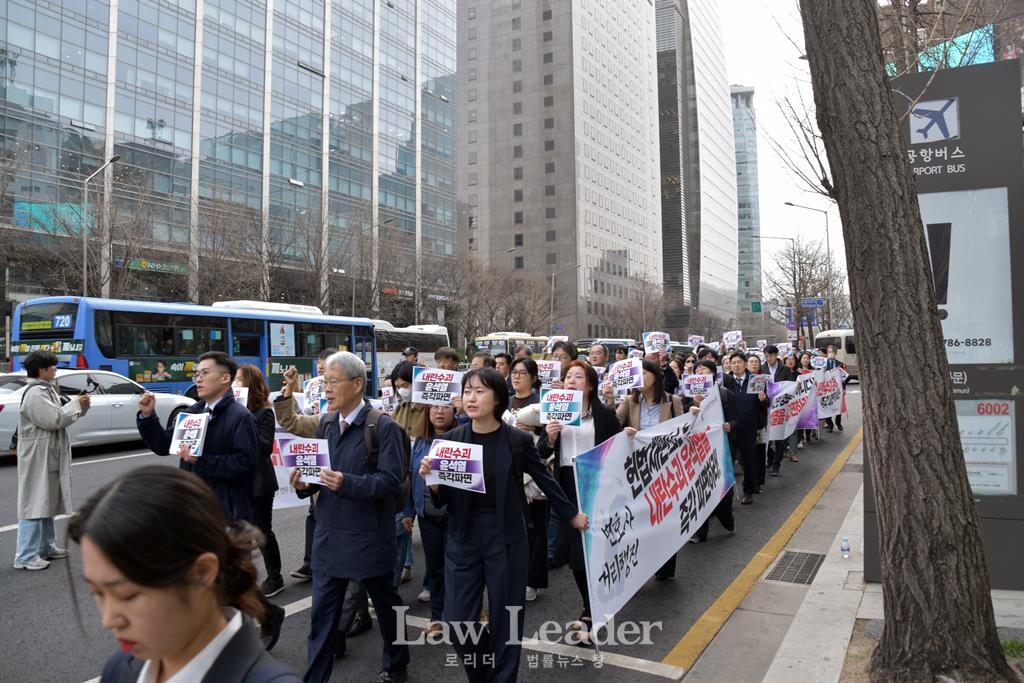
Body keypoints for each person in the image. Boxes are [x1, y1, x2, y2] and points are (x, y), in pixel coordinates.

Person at [419, 369, 587, 681]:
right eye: (468, 391)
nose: (471, 397)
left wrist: (571, 514)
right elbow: (441, 501)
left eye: (480, 391)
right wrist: (433, 482)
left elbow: (545, 480)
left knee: (506, 619)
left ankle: (503, 677)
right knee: (457, 621)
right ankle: (483, 672)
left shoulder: (517, 440)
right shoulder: (449, 442)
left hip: (507, 538)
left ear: (497, 398)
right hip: (462, 537)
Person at [72, 466, 302, 683]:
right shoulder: (121, 667)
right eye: (97, 593)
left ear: (202, 572)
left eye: (127, 595)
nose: (108, 620)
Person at [136, 352, 284, 649]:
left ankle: (239, 629)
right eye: (197, 374)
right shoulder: (190, 413)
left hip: (228, 509)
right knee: (214, 575)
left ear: (225, 378)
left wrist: (202, 461)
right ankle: (255, 618)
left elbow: (245, 462)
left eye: (205, 373)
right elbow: (166, 446)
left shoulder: (240, 417)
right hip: (194, 506)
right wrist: (148, 417)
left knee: (224, 575)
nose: (198, 379)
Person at [284, 351, 410, 683]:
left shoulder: (382, 427)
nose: (326, 388)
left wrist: (346, 482)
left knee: (386, 606)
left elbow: (391, 480)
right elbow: (317, 477)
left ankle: (396, 663)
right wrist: (303, 484)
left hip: (369, 537)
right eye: (324, 381)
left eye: (333, 381)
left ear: (357, 384)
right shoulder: (326, 422)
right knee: (322, 618)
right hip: (329, 538)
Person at [539, 360, 621, 643]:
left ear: (590, 383)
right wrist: (549, 437)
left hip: (596, 486)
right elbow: (540, 450)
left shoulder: (605, 414)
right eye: (567, 376)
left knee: (591, 549)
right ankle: (591, 604)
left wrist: (630, 435)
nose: (571, 380)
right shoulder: (555, 410)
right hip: (566, 487)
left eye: (578, 376)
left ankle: (591, 608)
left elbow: (618, 447)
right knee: (571, 550)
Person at [14, 350, 91, 571]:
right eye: (52, 367)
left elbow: (61, 416)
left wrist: (80, 406)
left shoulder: (45, 390)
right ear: (41, 370)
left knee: (45, 499)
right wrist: (76, 404)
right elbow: (54, 419)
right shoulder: (36, 394)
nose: (55, 370)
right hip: (38, 453)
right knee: (34, 502)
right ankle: (25, 555)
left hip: (46, 451)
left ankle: (46, 546)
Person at [611, 359, 686, 579]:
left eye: (643, 373)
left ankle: (665, 566)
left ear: (655, 376)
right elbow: (613, 424)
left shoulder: (673, 401)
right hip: (638, 470)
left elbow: (684, 432)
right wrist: (623, 427)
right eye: (637, 374)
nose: (640, 378)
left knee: (665, 519)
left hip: (665, 469)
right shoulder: (629, 401)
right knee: (640, 519)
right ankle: (641, 565)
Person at [402, 404, 458, 633]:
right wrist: (408, 512)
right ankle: (437, 616)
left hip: (456, 516)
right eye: (434, 407)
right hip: (428, 517)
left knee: (458, 568)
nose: (439, 412)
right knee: (435, 567)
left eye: (446, 407)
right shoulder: (419, 444)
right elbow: (410, 478)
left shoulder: (464, 438)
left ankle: (468, 612)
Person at [236, 364, 285, 598]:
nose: (235, 385)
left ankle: (275, 576)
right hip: (238, 480)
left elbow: (265, 447)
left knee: (262, 530)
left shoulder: (264, 412)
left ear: (250, 384)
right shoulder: (231, 411)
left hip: (259, 482)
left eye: (239, 380)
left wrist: (244, 423)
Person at [292, 349, 338, 581]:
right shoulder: (316, 405)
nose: (320, 367)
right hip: (318, 468)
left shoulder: (374, 422)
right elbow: (295, 422)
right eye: (319, 363)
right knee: (315, 513)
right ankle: (312, 564)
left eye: (326, 364)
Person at [507, 356, 548, 601]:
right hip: (510, 471)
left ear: (533, 377)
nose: (516, 376)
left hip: (535, 473)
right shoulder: (505, 401)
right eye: (514, 372)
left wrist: (534, 430)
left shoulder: (541, 402)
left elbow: (552, 437)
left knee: (536, 529)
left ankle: (533, 581)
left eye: (522, 373)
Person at [685, 360, 739, 543]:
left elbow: (737, 418)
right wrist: (693, 405)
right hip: (697, 448)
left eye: (704, 370)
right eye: (697, 370)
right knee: (700, 487)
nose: (700, 372)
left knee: (720, 487)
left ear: (713, 374)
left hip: (720, 446)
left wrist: (729, 425)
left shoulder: (725, 395)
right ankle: (700, 531)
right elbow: (681, 421)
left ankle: (726, 517)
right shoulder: (687, 397)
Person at [725, 352, 768, 505]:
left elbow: (765, 405)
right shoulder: (725, 381)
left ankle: (749, 490)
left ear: (745, 364)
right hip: (730, 428)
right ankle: (726, 495)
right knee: (727, 461)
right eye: (733, 362)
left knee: (749, 460)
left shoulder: (755, 380)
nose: (736, 365)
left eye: (739, 362)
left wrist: (763, 400)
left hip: (748, 427)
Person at [746, 354, 769, 492]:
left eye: (756, 362)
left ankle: (758, 482)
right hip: (745, 424)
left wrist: (763, 399)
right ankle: (749, 481)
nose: (754, 364)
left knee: (759, 454)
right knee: (748, 455)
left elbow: (768, 402)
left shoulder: (763, 380)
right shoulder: (742, 380)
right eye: (751, 362)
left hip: (759, 424)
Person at [390, 360, 427, 439]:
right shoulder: (400, 408)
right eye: (398, 387)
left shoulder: (431, 407)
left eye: (405, 385)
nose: (401, 391)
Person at [822, 346, 846, 432]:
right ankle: (830, 424)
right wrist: (822, 370)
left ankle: (838, 423)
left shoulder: (840, 364)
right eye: (828, 352)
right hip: (826, 389)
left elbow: (843, 378)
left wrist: (843, 389)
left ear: (835, 353)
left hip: (837, 389)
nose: (830, 353)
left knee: (838, 406)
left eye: (831, 352)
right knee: (826, 406)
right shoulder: (823, 364)